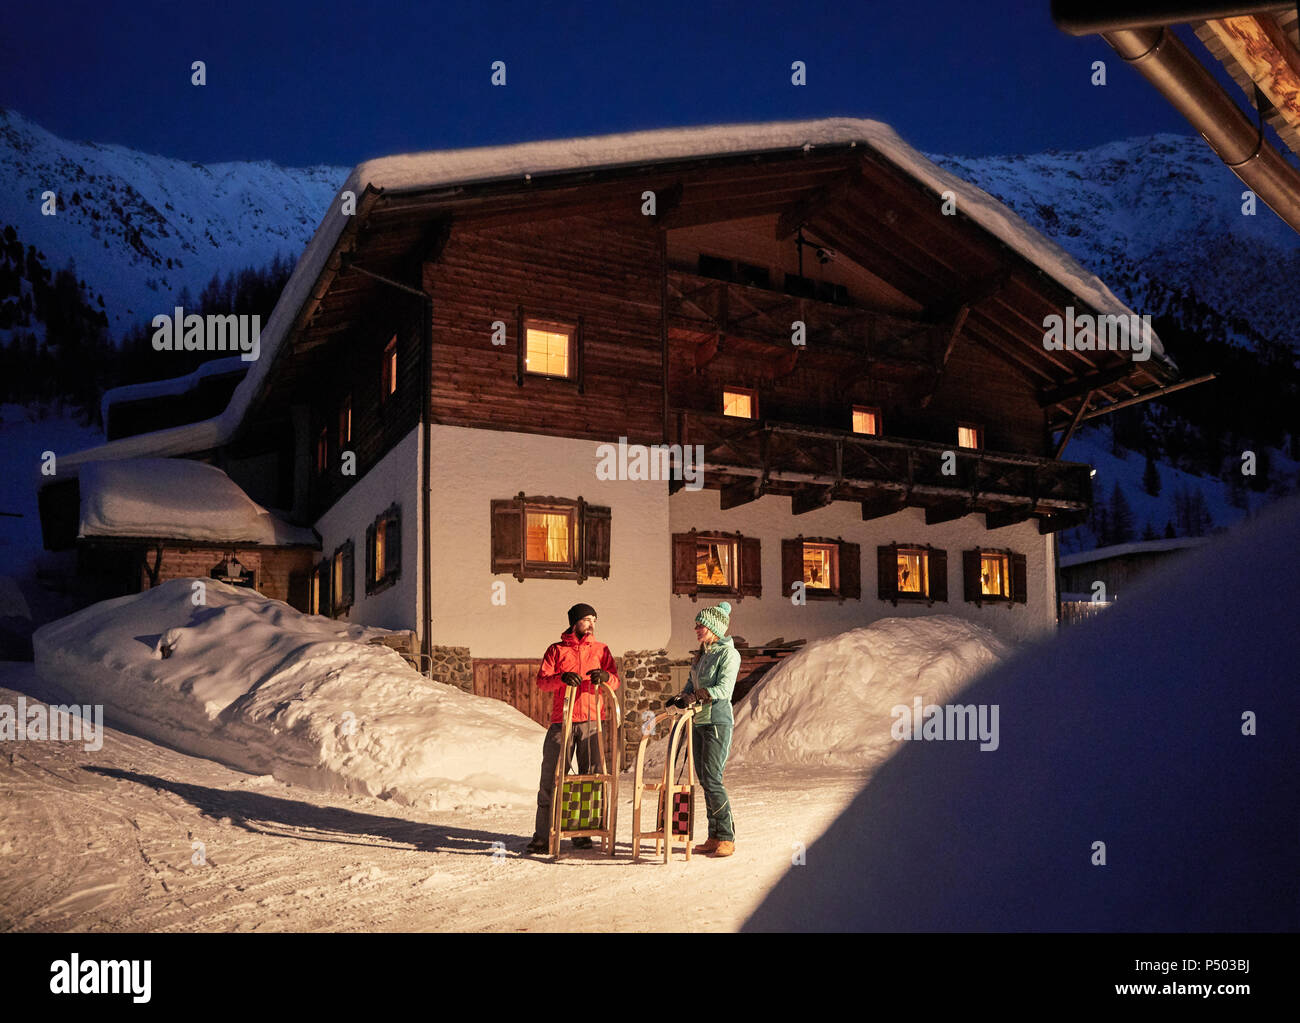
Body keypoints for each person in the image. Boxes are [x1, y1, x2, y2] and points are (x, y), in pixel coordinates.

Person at [524, 603, 620, 854]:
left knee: (591, 778)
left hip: (592, 721)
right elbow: (542, 683)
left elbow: (616, 680)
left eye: (594, 620)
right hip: (563, 721)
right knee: (552, 777)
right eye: (587, 619)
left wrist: (605, 677)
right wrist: (562, 678)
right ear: (575, 621)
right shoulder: (556, 650)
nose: (591, 624)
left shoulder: (602, 650)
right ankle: (542, 836)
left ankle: (583, 833)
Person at [667, 601, 739, 857]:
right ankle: (713, 835)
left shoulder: (728, 654)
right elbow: (690, 683)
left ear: (714, 627)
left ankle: (727, 837)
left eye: (701, 625)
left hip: (717, 721)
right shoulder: (702, 655)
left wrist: (698, 695)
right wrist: (681, 697)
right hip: (698, 721)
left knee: (712, 778)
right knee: (705, 779)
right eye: (697, 625)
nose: (696, 629)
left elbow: (724, 690)